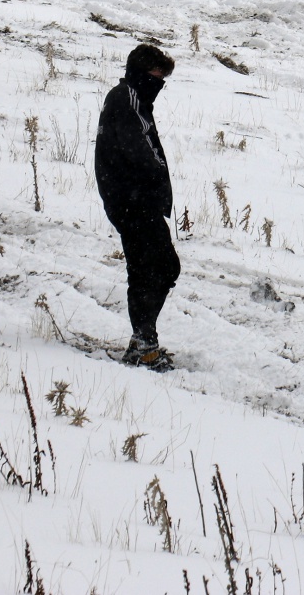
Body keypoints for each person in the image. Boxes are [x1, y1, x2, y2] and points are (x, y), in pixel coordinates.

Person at [94, 43, 180, 371]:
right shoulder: (128, 99)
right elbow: (141, 151)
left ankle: (142, 341)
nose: (160, 85)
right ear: (141, 74)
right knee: (155, 268)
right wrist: (156, 178)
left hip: (131, 200)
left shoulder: (132, 99)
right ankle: (144, 345)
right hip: (132, 201)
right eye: (158, 77)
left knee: (154, 268)